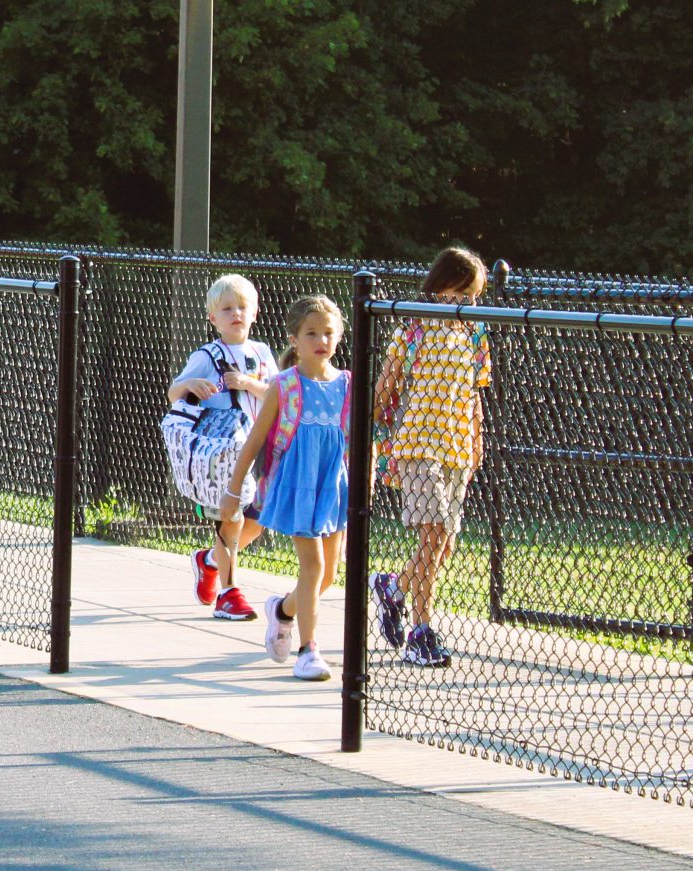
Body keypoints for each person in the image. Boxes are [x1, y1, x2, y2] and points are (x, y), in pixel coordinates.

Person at [370, 247, 494, 668]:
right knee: (433, 533)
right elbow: (385, 389)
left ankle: (394, 589)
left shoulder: (475, 333)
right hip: (417, 443)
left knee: (445, 546)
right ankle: (421, 632)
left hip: (456, 446)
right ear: (440, 288)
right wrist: (376, 430)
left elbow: (475, 394)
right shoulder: (414, 328)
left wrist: (475, 442)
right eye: (461, 296)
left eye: (474, 298)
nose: (468, 306)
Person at [224, 296, 352, 682]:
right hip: (296, 486)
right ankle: (309, 651)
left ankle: (283, 611)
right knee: (311, 566)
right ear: (295, 339)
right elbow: (255, 442)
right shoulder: (284, 385)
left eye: (328, 332)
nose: (321, 340)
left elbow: (359, 436)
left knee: (327, 575)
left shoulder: (347, 384)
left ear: (339, 336)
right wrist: (233, 494)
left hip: (332, 488)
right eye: (311, 333)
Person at [162, 273, 275, 620]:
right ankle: (229, 592)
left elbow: (276, 394)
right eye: (227, 309)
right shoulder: (208, 355)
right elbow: (174, 392)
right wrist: (191, 383)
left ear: (255, 312)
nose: (236, 314)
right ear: (213, 318)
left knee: (262, 517)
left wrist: (247, 384)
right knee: (233, 518)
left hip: (260, 443)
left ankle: (210, 559)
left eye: (242, 307)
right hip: (225, 450)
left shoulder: (262, 353)